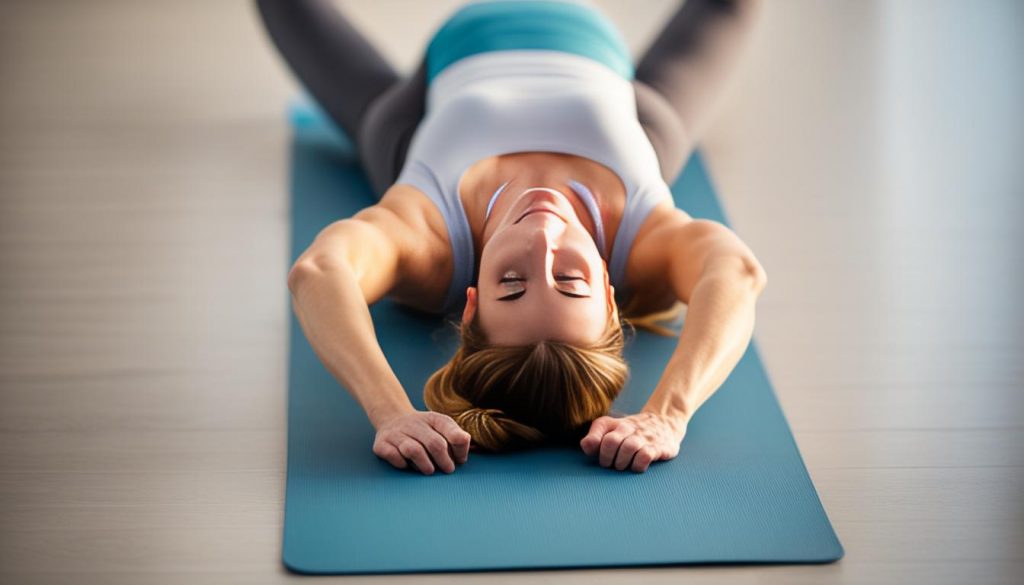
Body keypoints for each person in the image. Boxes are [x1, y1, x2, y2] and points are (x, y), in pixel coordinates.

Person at [258, 0, 766, 475]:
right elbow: (737, 272)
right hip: (625, 91)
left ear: (472, 304)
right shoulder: (642, 244)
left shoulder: (427, 240)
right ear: (611, 299)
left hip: (435, 85)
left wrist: (390, 411)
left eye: (512, 282)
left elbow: (320, 271)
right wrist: (669, 414)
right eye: (569, 279)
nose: (543, 238)